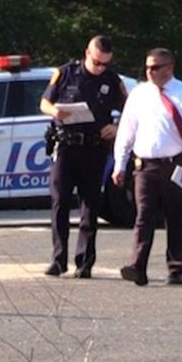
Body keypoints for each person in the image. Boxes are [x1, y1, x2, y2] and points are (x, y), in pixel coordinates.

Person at [111, 48, 182, 286]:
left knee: (176, 218)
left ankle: (175, 268)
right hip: (145, 166)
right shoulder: (139, 95)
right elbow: (126, 132)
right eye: (147, 67)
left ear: (169, 68)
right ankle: (138, 266)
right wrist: (119, 165)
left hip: (176, 164)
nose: (150, 72)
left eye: (155, 67)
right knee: (143, 216)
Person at [39, 35, 129, 278]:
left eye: (105, 64)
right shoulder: (66, 73)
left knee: (90, 205)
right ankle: (58, 260)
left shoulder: (112, 80)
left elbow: (131, 112)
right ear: (87, 54)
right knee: (59, 202)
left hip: (94, 148)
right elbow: (44, 103)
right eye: (97, 62)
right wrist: (55, 110)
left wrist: (118, 127)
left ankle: (85, 262)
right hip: (66, 148)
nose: (100, 68)